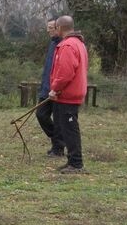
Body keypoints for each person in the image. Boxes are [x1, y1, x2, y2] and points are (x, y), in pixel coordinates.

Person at [48, 15, 88, 174]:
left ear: (59, 28)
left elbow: (65, 73)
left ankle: (76, 163)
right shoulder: (79, 43)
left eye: (55, 27)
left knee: (70, 129)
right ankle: (73, 161)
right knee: (68, 128)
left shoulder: (67, 46)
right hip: (74, 93)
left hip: (68, 95)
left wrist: (54, 89)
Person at [36, 18, 64, 157]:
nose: (48, 30)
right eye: (47, 27)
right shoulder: (52, 44)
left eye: (51, 27)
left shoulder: (64, 45)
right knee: (40, 114)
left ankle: (58, 148)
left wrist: (57, 87)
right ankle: (58, 140)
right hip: (46, 88)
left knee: (59, 119)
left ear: (59, 28)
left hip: (58, 90)